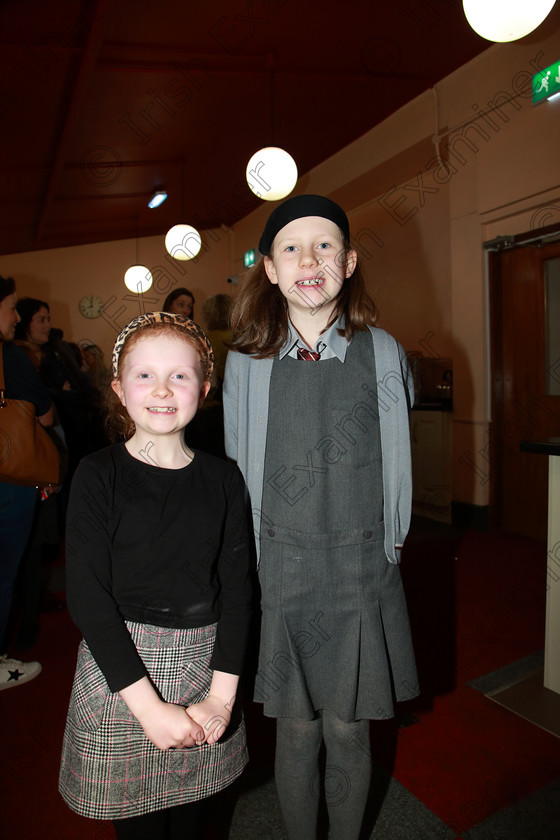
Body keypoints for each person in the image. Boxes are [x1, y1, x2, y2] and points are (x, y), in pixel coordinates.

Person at [223, 195, 418, 840]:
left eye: (326, 245)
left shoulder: (384, 351)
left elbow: (397, 470)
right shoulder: (246, 364)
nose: (310, 260)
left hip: (360, 568)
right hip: (282, 570)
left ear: (350, 261)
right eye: (291, 248)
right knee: (297, 728)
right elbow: (241, 474)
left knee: (349, 727)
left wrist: (389, 552)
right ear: (271, 271)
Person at [59, 312, 253, 840]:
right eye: (145, 375)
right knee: (141, 827)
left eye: (180, 375)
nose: (162, 389)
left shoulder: (224, 478)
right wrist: (147, 708)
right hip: (121, 672)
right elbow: (88, 597)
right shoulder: (98, 474)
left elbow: (238, 592)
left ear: (204, 388)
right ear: (120, 389)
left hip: (204, 667)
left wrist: (222, 695)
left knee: (193, 821)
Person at [0, 276, 51, 689]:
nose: (15, 317)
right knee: (3, 572)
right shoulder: (10, 358)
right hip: (8, 480)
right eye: (10, 307)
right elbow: (45, 415)